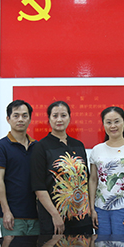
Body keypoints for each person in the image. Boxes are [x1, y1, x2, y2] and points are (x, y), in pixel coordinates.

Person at [30, 101, 92, 235]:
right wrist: (55, 215)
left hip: (82, 216)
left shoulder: (78, 145)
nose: (59, 119)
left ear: (69, 118)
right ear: (49, 119)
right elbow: (39, 187)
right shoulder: (41, 147)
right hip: (55, 218)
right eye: (55, 116)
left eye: (63, 115)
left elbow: (86, 179)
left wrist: (90, 210)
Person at [88, 106, 124, 235]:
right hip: (100, 209)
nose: (113, 126)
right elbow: (93, 180)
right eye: (108, 122)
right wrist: (92, 208)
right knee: (102, 246)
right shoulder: (97, 150)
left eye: (117, 121)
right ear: (103, 125)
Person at [0, 100, 39, 236]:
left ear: (30, 119)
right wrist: (6, 211)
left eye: (24, 116)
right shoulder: (1, 146)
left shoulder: (37, 146)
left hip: (36, 216)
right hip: (12, 216)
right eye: (16, 116)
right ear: (8, 119)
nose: (20, 119)